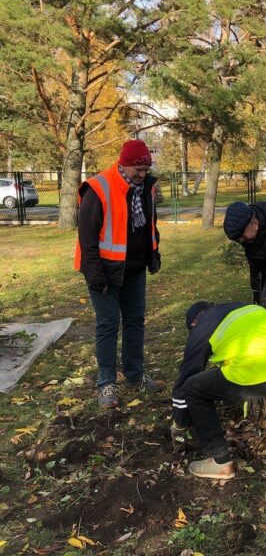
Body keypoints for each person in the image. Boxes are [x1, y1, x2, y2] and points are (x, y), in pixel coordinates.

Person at [171, 301, 266, 479]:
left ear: (194, 323)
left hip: (258, 368)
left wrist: (179, 423)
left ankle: (220, 462)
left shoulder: (201, 327)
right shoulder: (243, 307)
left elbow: (186, 377)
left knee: (193, 388)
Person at [75, 139, 162, 408]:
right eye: (139, 169)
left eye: (146, 169)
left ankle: (135, 376)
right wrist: (94, 274)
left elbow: (150, 224)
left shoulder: (146, 188)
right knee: (108, 325)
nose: (143, 174)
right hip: (104, 272)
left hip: (134, 270)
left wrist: (154, 252)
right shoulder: (99, 188)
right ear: (123, 164)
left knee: (135, 322)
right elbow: (87, 237)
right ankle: (106, 384)